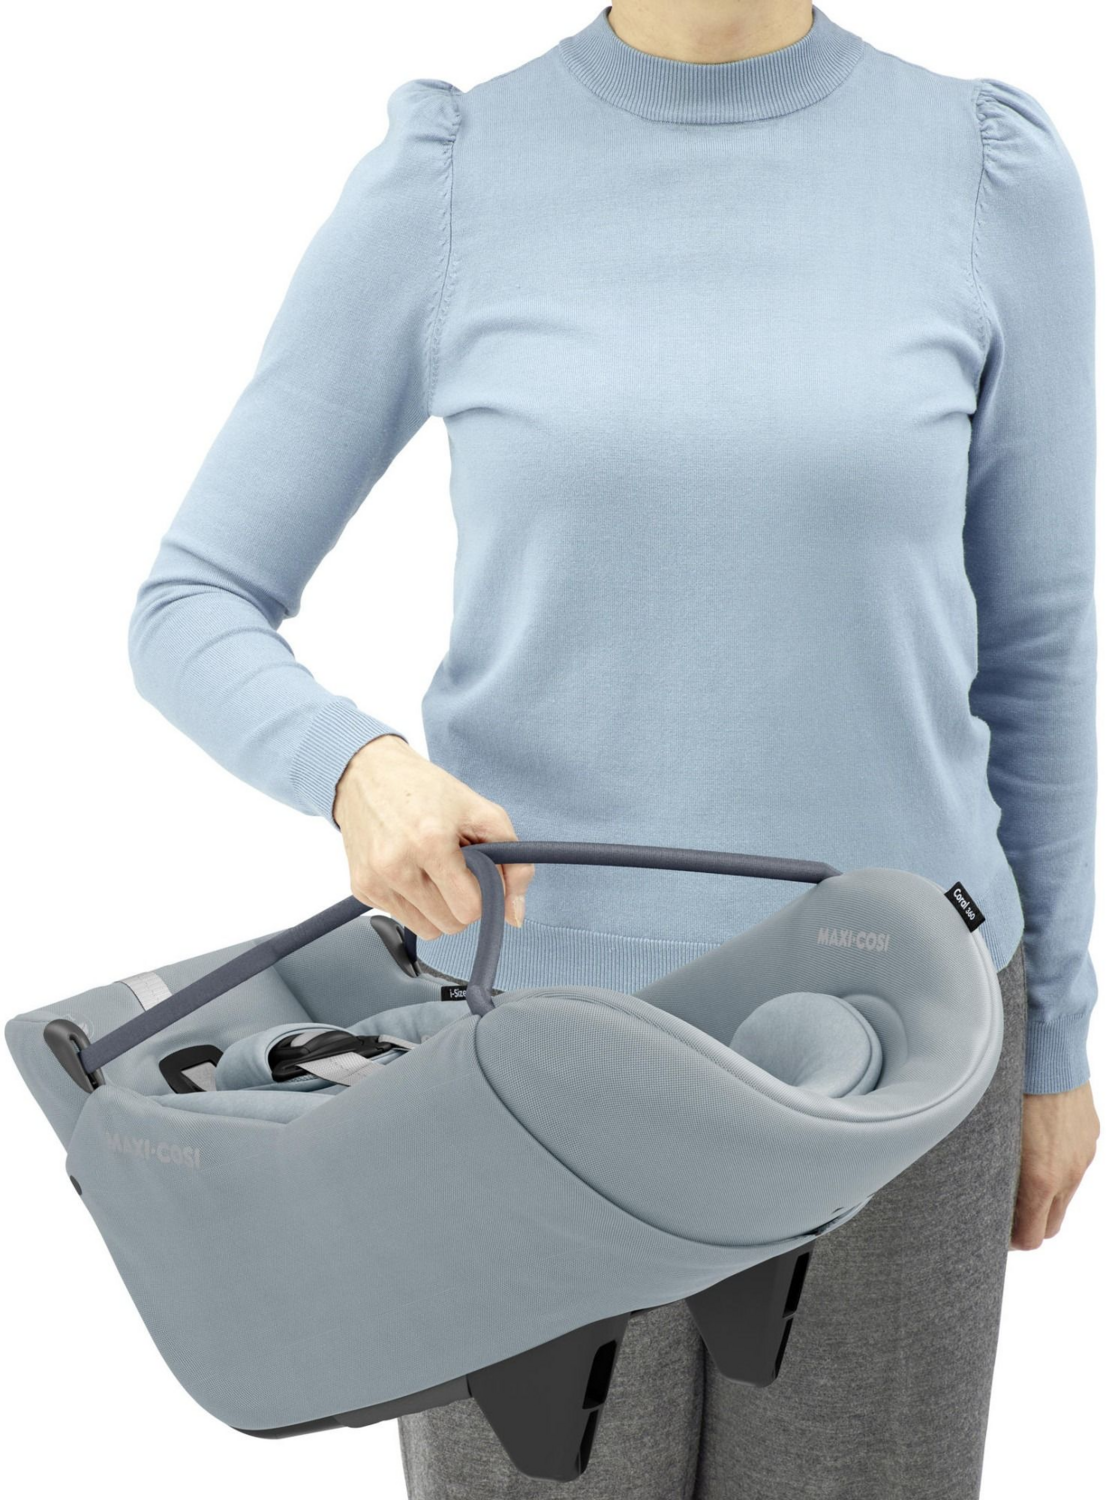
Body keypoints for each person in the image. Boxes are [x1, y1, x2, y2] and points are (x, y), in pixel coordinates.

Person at [128, 4, 1099, 1495]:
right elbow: (192, 599)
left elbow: (1038, 650)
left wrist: (1056, 1048)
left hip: (900, 1047)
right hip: (523, 1068)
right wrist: (354, 766)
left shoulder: (985, 169)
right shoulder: (455, 173)